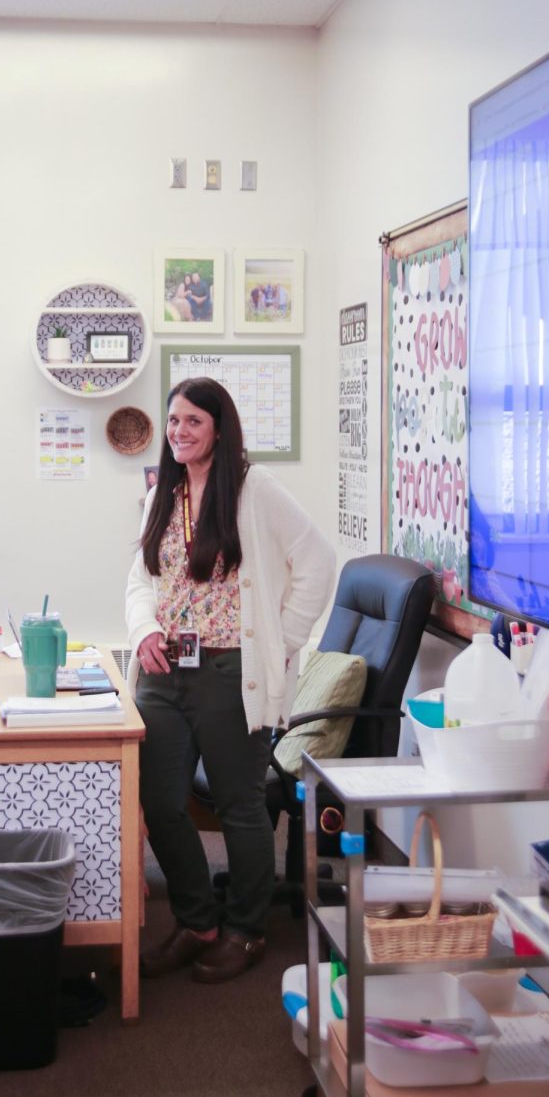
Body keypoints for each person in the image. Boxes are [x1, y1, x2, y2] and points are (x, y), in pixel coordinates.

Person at [125, 378, 335, 984]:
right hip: (164, 671)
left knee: (240, 804)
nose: (179, 432)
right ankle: (197, 923)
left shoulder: (252, 488)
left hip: (229, 672)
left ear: (219, 426)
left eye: (193, 421)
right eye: (173, 421)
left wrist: (281, 641)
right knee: (161, 803)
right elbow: (142, 577)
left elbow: (318, 562)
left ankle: (246, 931)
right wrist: (142, 629)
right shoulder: (162, 491)